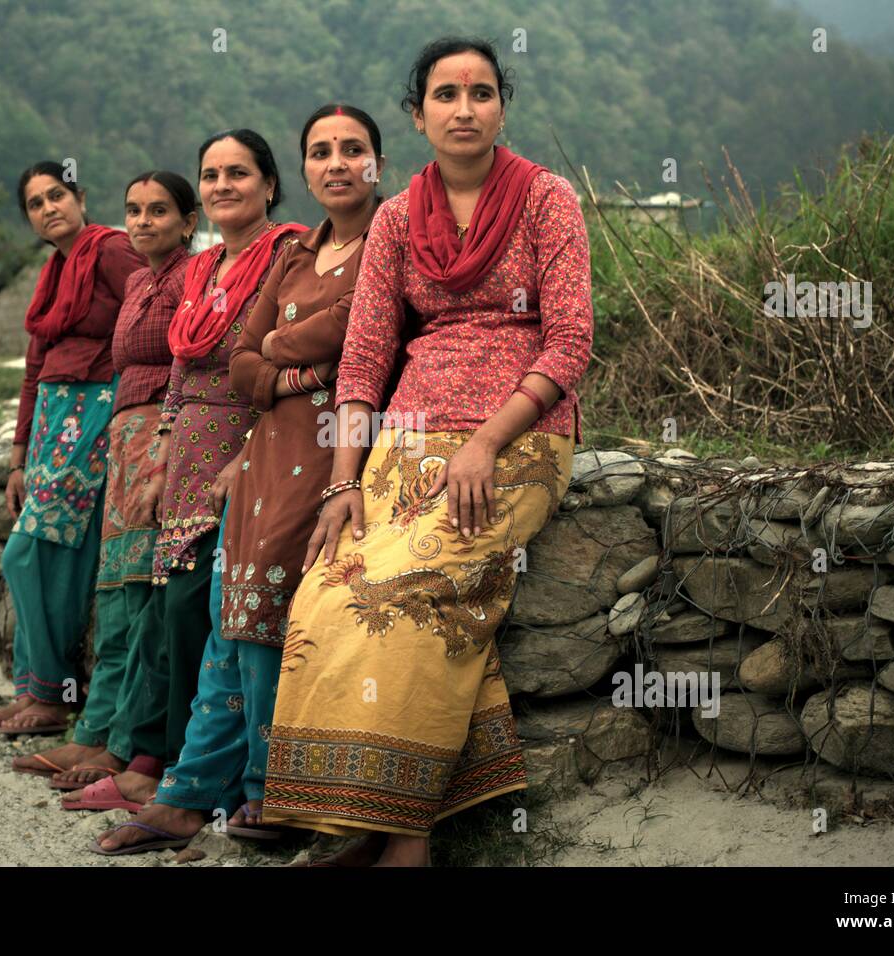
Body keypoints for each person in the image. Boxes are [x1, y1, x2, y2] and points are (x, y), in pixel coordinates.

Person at [259, 37, 594, 867]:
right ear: (419, 115)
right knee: (327, 595)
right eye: (446, 94)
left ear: (502, 108)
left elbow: (571, 341)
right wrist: (344, 483)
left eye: (482, 92)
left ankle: (398, 844)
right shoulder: (401, 218)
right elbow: (366, 355)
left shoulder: (548, 200)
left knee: (412, 594)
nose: (465, 108)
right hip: (402, 444)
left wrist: (484, 443)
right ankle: (359, 820)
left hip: (514, 440)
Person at [89, 105, 386, 853]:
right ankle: (190, 792)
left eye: (354, 149)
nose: (338, 163)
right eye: (322, 150)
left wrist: (278, 360)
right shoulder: (299, 256)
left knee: (262, 619)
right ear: (306, 169)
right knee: (229, 619)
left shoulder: (391, 236)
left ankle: (268, 793)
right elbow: (243, 362)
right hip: (264, 446)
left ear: (379, 162)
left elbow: (358, 326)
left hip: (334, 444)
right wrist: (293, 364)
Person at [68, 131, 305, 829]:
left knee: (210, 610)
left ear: (268, 185)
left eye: (239, 173)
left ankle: (199, 778)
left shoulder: (285, 258)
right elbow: (178, 369)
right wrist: (167, 442)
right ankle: (167, 767)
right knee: (175, 610)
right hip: (187, 458)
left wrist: (251, 454)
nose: (223, 184)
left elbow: (274, 368)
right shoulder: (202, 273)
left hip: (244, 445)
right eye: (211, 174)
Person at [11, 172, 198, 792]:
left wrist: (169, 438)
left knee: (139, 590)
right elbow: (37, 365)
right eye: (135, 211)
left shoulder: (130, 259)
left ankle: (125, 744)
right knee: (116, 588)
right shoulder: (136, 275)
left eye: (158, 211)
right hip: (111, 432)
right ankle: (93, 729)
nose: (142, 222)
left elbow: (187, 356)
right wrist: (20, 450)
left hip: (148, 431)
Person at [0, 161, 145, 737]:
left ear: (81, 198)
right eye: (36, 203)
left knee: (28, 551)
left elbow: (147, 317)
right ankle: (35, 693)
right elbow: (34, 370)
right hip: (52, 419)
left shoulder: (112, 251)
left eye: (56, 195)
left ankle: (51, 692)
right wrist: (18, 457)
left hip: (96, 409)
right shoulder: (52, 274)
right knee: (51, 551)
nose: (48, 209)